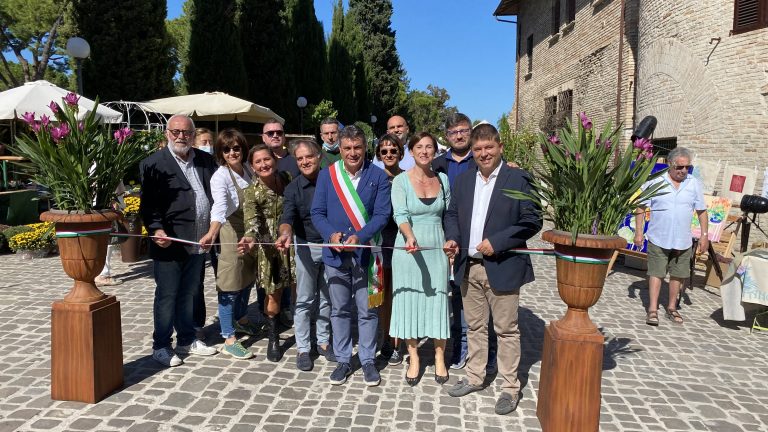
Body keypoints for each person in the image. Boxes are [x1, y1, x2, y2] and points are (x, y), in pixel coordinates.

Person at [443, 123, 542, 415]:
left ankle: (510, 388)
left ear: (500, 147)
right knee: (474, 326)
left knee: (506, 330)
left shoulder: (519, 178)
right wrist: (452, 238)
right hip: (468, 266)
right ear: (471, 152)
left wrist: (497, 242)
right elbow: (451, 214)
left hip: (503, 265)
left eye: (489, 147)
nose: (484, 154)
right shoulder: (462, 181)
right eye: (478, 149)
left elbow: (531, 219)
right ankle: (475, 376)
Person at [311, 125, 391, 386]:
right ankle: (344, 358)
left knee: (367, 310)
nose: (353, 153)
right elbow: (317, 213)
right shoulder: (327, 175)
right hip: (335, 255)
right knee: (339, 309)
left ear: (365, 148)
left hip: (366, 255)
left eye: (357, 147)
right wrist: (330, 235)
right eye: (347, 148)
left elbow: (382, 215)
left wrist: (362, 237)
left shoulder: (377, 177)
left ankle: (367, 360)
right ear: (340, 149)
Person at [140, 115, 219, 367]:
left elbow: (215, 195)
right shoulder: (153, 163)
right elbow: (148, 204)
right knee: (167, 295)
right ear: (167, 133)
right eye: (175, 132)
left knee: (189, 293)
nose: (180, 136)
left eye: (186, 132)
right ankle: (161, 345)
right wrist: (155, 229)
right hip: (169, 243)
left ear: (193, 135)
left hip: (199, 241)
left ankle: (186, 339)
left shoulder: (205, 160)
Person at [432, 112, 498, 373]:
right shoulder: (437, 164)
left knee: (484, 301)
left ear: (470, 132)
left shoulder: (482, 159)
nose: (458, 135)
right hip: (447, 239)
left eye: (463, 130)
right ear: (447, 137)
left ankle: (489, 352)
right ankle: (459, 349)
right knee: (456, 300)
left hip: (478, 241)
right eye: (453, 132)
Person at [390, 132, 451, 386]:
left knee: (438, 300)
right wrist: (409, 235)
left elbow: (450, 214)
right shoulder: (401, 181)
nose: (424, 151)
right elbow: (400, 214)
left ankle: (439, 356)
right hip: (409, 249)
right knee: (409, 300)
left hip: (436, 246)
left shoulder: (444, 180)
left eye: (429, 147)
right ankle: (413, 357)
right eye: (419, 147)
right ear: (411, 152)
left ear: (435, 151)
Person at [199, 129, 265, 360]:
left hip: (249, 232)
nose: (232, 152)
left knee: (247, 278)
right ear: (220, 152)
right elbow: (219, 207)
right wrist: (211, 233)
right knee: (229, 284)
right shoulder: (220, 176)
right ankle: (228, 337)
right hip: (229, 232)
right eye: (226, 149)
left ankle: (242, 320)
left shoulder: (248, 169)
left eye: (236, 148)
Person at [275, 139, 336, 371]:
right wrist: (285, 233)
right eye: (299, 159)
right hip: (305, 246)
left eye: (308, 157)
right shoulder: (293, 188)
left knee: (326, 297)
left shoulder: (332, 181)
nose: (304, 162)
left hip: (331, 247)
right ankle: (302, 348)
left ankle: (322, 342)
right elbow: (287, 218)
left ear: (319, 156)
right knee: (304, 300)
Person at [634, 146, 708, 326]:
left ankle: (672, 307)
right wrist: (638, 232)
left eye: (687, 167)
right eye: (679, 167)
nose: (683, 171)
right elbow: (640, 207)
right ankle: (652, 309)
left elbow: (702, 211)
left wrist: (704, 235)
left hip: (683, 240)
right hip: (659, 236)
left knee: (678, 275)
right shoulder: (655, 181)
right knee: (656, 273)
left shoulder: (693, 183)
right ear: (669, 164)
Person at [239, 143, 293, 362]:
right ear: (252, 167)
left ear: (275, 159)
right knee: (274, 293)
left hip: (292, 243)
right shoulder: (251, 192)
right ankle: (273, 336)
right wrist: (250, 238)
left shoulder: (288, 178)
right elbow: (251, 221)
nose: (263, 164)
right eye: (258, 162)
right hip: (269, 248)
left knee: (302, 290)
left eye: (266, 159)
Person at [374, 134, 405, 366]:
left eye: (393, 150)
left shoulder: (408, 178)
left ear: (400, 153)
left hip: (403, 242)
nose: (389, 155)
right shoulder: (374, 178)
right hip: (381, 243)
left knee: (400, 295)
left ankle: (398, 340)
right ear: (378, 155)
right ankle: (386, 338)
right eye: (384, 151)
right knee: (383, 297)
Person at [192, 126, 217, 337]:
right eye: (204, 142)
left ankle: (232, 317)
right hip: (199, 232)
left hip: (218, 230)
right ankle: (196, 323)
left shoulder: (213, 163)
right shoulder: (192, 165)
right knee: (196, 281)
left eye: (210, 142)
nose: (208, 146)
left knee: (225, 277)